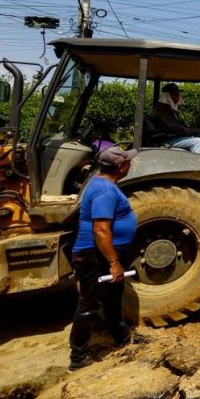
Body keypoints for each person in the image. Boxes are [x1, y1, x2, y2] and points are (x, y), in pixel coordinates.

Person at [68, 146, 138, 372]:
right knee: (89, 304)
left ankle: (122, 337)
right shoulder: (105, 191)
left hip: (101, 254)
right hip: (94, 255)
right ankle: (78, 357)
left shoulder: (102, 184)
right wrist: (114, 262)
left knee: (112, 297)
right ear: (120, 167)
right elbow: (100, 230)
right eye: (127, 161)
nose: (130, 164)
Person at [150, 83, 200, 158]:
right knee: (197, 142)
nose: (179, 96)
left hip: (171, 138)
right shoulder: (162, 109)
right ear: (169, 95)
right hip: (166, 140)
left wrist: (196, 131)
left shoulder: (169, 109)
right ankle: (198, 167)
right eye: (176, 93)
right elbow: (176, 128)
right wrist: (199, 131)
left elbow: (181, 127)